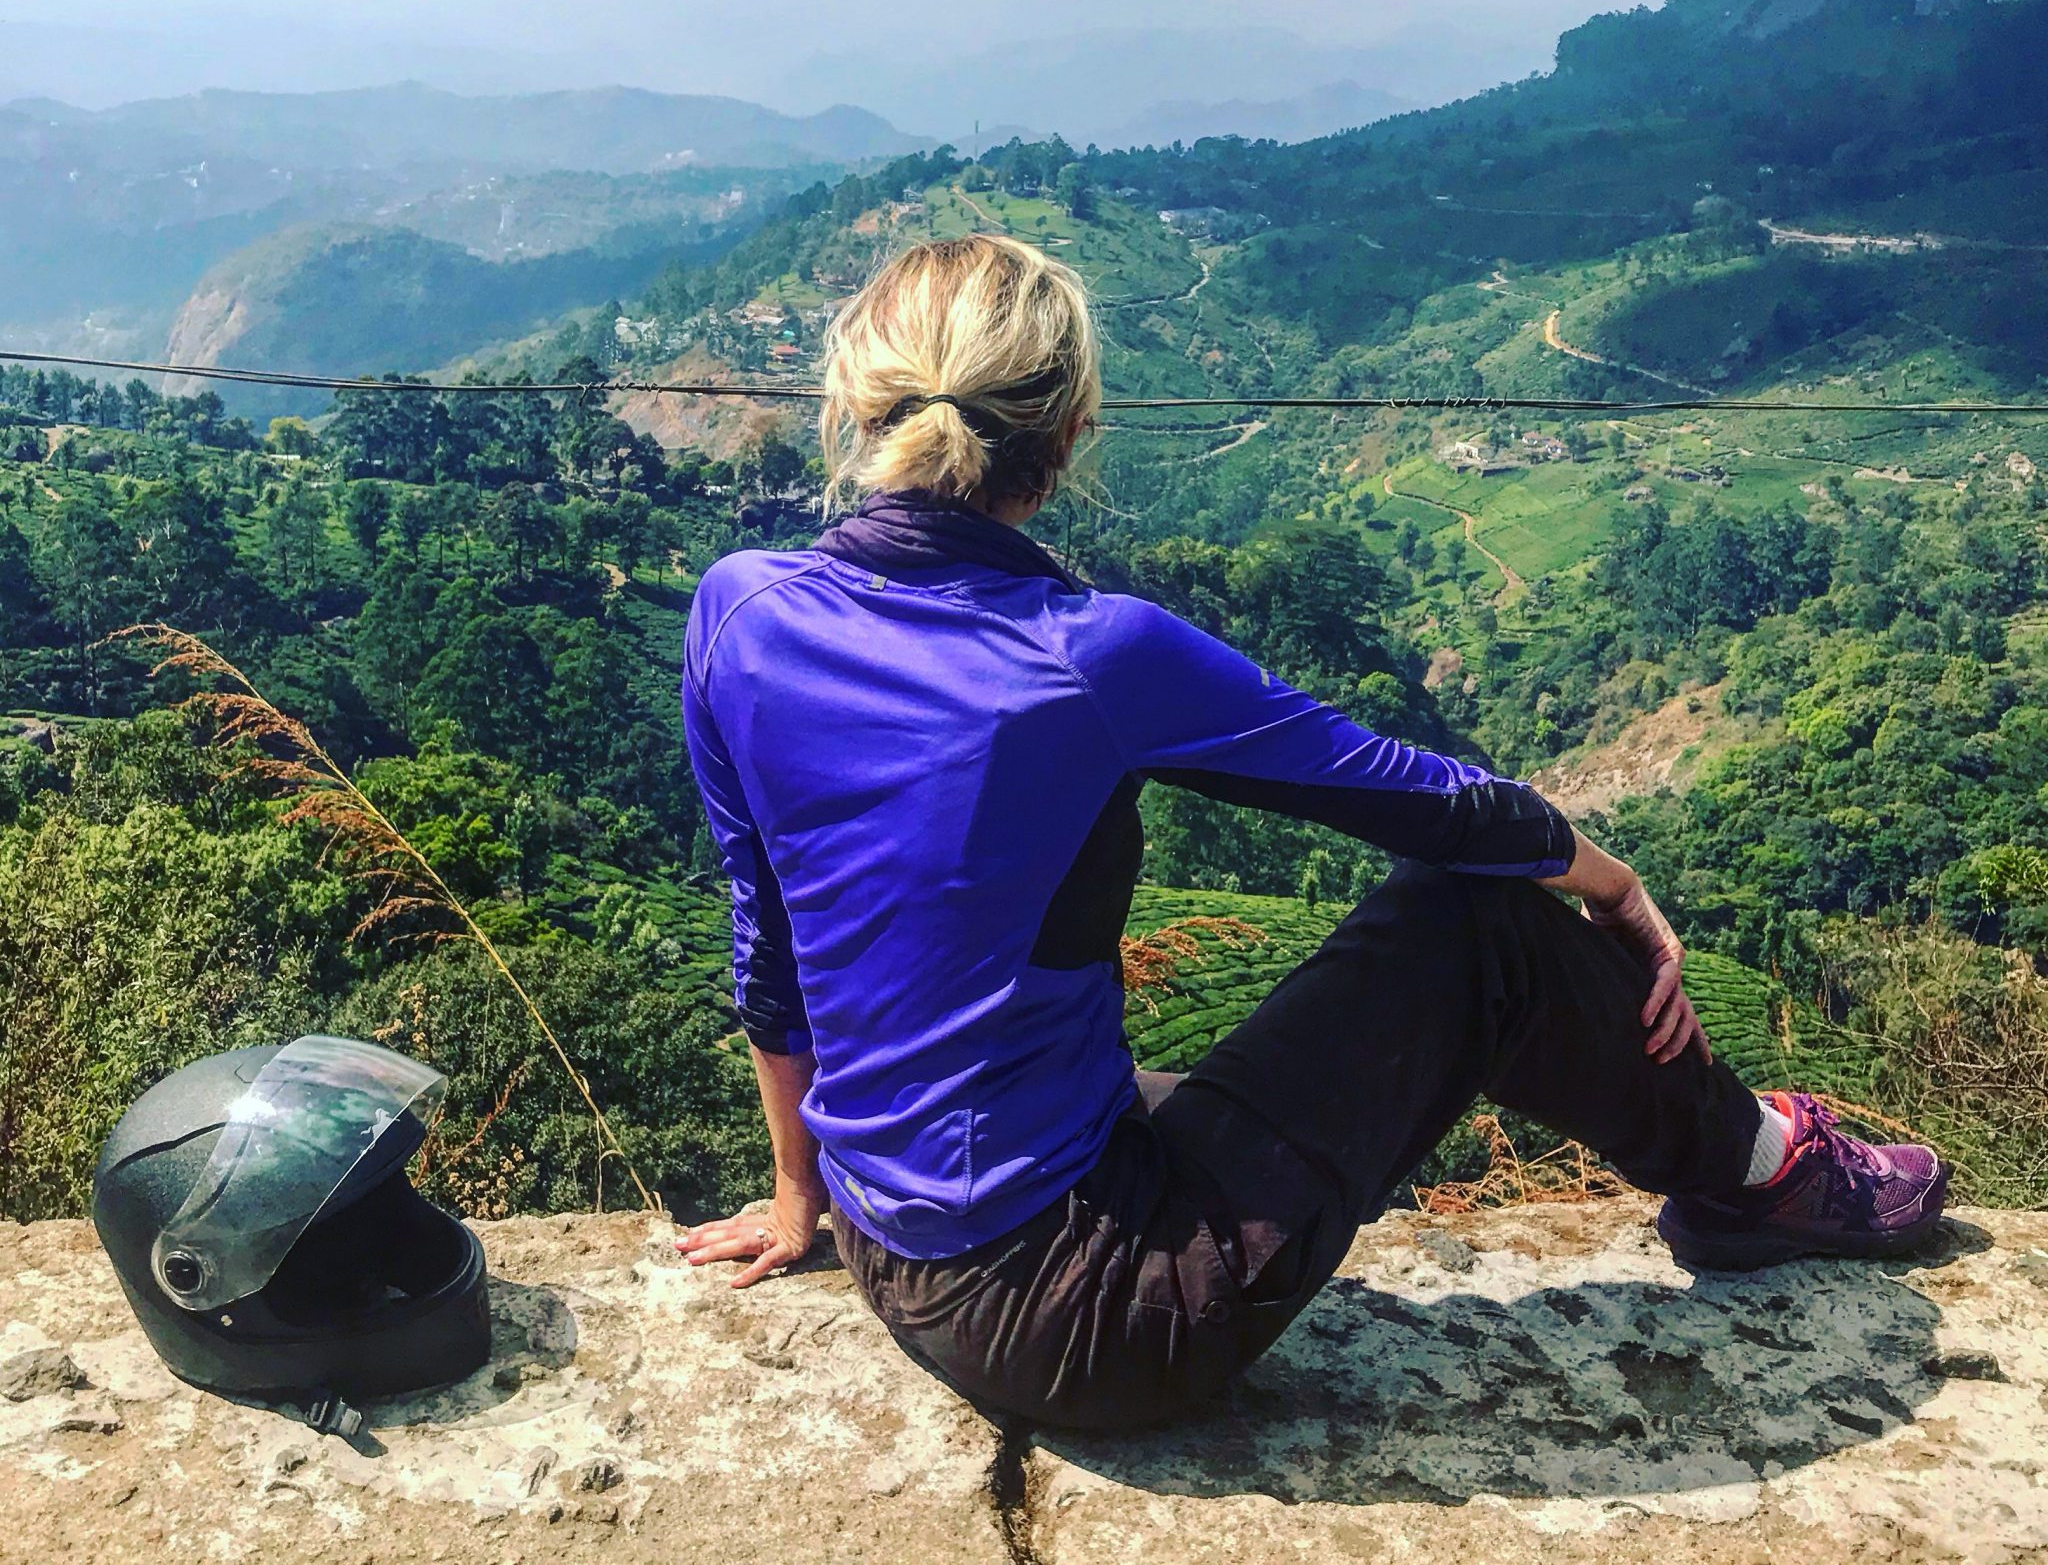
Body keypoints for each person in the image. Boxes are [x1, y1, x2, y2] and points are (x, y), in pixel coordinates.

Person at [676, 232, 1948, 1432]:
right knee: (1474, 924)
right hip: (1085, 1313)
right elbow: (1421, 798)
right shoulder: (1086, 652)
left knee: (1233, 1059)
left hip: (887, 1241)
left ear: (858, 404)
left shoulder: (738, 611)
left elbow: (769, 941)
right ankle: (1761, 1170)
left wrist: (802, 1197)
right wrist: (1613, 885)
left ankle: (1743, 1156)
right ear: (1067, 433)